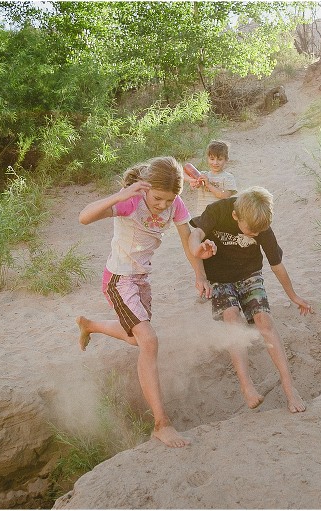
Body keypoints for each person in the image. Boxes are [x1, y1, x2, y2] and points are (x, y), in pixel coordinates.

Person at [75, 156, 212, 448]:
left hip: (141, 280)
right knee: (148, 341)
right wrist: (122, 194)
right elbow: (84, 217)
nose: (163, 205)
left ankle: (90, 325)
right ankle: (161, 424)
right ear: (146, 188)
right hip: (118, 279)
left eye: (169, 199)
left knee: (136, 339)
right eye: (158, 198)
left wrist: (199, 274)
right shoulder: (131, 203)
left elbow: (189, 242)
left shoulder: (175, 205)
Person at [188, 186, 313, 413]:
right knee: (231, 316)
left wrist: (293, 296)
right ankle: (247, 386)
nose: (255, 235)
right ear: (236, 216)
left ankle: (289, 388)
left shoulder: (260, 223)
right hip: (219, 279)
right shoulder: (218, 211)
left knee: (264, 321)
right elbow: (194, 234)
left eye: (259, 232)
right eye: (251, 231)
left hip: (249, 274)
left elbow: (277, 265)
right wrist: (199, 262)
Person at [191, 140, 238, 215]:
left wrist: (208, 185)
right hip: (202, 216)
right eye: (212, 159)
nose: (215, 163)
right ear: (207, 158)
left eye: (219, 159)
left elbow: (225, 196)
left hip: (220, 217)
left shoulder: (228, 177)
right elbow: (183, 172)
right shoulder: (203, 175)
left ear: (226, 160)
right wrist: (193, 182)